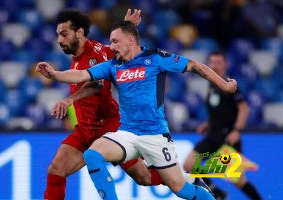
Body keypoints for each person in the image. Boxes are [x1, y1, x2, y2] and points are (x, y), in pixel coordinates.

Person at [36, 21, 238, 200]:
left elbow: (194, 65)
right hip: (128, 134)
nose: (111, 46)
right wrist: (54, 74)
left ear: (130, 41)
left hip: (155, 136)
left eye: (115, 41)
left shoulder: (156, 59)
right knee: (92, 155)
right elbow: (81, 75)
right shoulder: (113, 66)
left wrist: (224, 85)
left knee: (181, 189)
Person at [42, 9, 170, 200]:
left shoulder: (93, 55)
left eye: (64, 34)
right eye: (58, 35)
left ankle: (187, 180)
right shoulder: (92, 53)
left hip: (109, 128)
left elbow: (97, 85)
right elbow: (118, 51)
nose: (59, 40)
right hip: (85, 130)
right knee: (56, 169)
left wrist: (69, 100)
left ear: (79, 33)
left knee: (143, 177)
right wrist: (128, 26)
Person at [183, 51, 262, 200]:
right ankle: (217, 194)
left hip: (227, 138)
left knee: (237, 180)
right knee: (189, 165)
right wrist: (207, 124)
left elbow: (244, 108)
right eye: (212, 62)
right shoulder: (211, 84)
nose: (215, 65)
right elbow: (221, 110)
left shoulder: (229, 84)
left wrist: (237, 130)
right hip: (212, 136)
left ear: (225, 64)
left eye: (218, 62)